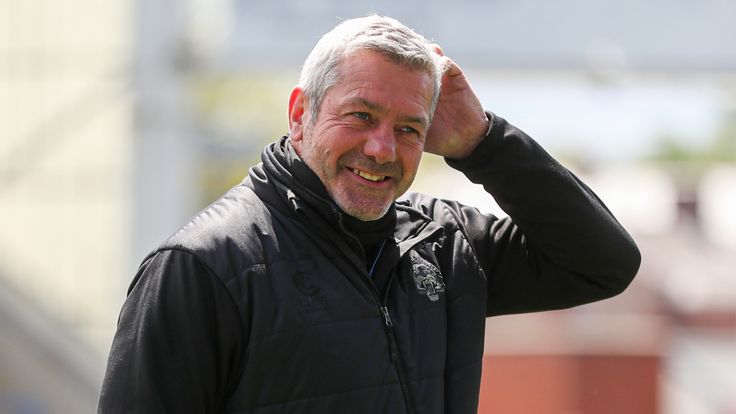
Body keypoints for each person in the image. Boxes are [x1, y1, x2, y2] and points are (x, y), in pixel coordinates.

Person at [97, 15, 640, 414]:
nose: (382, 149)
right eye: (361, 115)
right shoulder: (204, 266)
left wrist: (483, 142)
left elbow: (602, 263)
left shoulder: (443, 243)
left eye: (409, 128)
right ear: (300, 113)